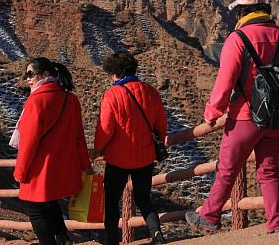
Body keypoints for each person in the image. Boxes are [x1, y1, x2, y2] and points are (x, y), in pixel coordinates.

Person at [186, 0, 279, 234]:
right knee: (269, 172)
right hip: (278, 117)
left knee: (227, 169)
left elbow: (225, 82)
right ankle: (277, 224)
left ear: (241, 11)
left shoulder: (237, 39)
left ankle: (209, 216)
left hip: (244, 116)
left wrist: (212, 112)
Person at [11, 58, 92, 245]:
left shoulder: (36, 101)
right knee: (50, 204)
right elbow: (79, 136)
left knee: (36, 211)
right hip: (62, 166)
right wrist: (85, 165)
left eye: (30, 74)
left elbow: (29, 142)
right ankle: (64, 240)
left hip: (39, 169)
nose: (27, 79)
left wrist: (20, 171)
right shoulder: (71, 99)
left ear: (45, 75)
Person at [93, 51, 168, 245]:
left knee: (111, 201)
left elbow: (105, 129)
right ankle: (157, 234)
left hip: (117, 159)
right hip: (145, 157)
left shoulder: (112, 95)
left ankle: (112, 241)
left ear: (116, 73)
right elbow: (161, 125)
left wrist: (98, 149)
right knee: (143, 198)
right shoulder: (151, 92)